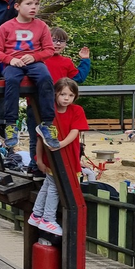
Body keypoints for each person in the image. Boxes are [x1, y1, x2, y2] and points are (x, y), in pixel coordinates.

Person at [0, 0, 59, 150]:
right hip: (13, 63)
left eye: (36, 3)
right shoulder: (6, 27)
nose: (33, 7)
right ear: (17, 6)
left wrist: (35, 56)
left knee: (45, 78)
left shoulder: (41, 26)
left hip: (34, 62)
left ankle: (48, 123)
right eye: (29, 3)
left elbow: (49, 49)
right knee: (12, 80)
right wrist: (10, 60)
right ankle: (11, 124)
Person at [27, 27, 92, 176]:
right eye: (53, 40)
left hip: (56, 108)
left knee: (54, 136)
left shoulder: (66, 62)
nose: (57, 44)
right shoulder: (37, 59)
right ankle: (36, 164)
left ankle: (54, 165)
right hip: (36, 105)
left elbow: (78, 78)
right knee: (35, 136)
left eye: (61, 41)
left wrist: (85, 60)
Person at [28, 78, 89, 235]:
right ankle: (47, 218)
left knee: (48, 185)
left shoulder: (76, 110)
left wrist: (59, 144)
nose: (66, 98)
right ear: (55, 94)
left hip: (66, 154)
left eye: (70, 95)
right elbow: (41, 137)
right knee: (54, 186)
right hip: (58, 159)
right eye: (63, 94)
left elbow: (75, 131)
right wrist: (39, 159)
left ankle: (36, 214)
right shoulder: (50, 112)